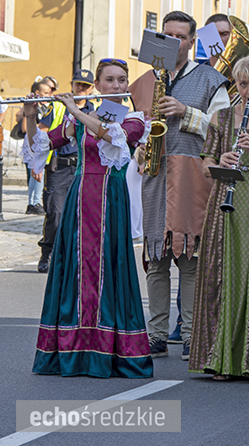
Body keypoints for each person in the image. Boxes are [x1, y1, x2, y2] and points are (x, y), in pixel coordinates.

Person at [24, 58, 153, 378]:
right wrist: (30, 115)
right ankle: (73, 348)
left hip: (111, 201)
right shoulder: (79, 118)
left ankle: (110, 349)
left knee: (109, 268)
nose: (117, 85)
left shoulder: (135, 119)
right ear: (98, 85)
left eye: (122, 80)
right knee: (76, 268)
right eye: (109, 80)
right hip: (80, 201)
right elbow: (43, 144)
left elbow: (112, 136)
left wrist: (76, 110)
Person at [129, 10, 230, 362]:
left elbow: (222, 128)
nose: (173, 41)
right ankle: (156, 334)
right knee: (156, 259)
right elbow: (133, 129)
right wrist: (139, 148)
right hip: (155, 175)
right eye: (167, 35)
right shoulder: (144, 81)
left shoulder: (211, 78)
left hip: (192, 174)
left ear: (191, 41)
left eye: (180, 36)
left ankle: (190, 334)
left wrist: (186, 111)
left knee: (190, 259)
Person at [189, 55, 249, 382]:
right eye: (243, 84)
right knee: (223, 273)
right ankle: (221, 359)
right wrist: (221, 163)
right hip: (226, 202)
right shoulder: (222, 117)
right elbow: (206, 166)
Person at [36, 70, 95, 274]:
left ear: (92, 88)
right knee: (55, 213)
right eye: (78, 84)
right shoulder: (58, 106)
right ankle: (47, 252)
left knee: (83, 215)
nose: (81, 88)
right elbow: (42, 133)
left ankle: (73, 256)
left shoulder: (96, 109)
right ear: (72, 85)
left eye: (85, 86)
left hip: (84, 167)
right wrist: (37, 163)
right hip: (59, 167)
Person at [19, 80, 53, 215]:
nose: (48, 95)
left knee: (39, 174)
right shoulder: (33, 106)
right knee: (36, 172)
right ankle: (34, 202)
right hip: (32, 142)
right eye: (45, 93)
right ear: (37, 93)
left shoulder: (47, 108)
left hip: (41, 142)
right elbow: (25, 127)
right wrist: (37, 126)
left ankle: (35, 201)